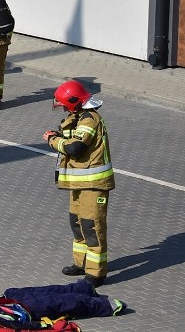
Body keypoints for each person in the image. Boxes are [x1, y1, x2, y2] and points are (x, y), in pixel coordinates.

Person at [43, 80, 115, 287]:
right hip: (79, 183)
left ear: (75, 102)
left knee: (92, 227)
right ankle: (81, 263)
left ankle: (96, 274)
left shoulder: (90, 120)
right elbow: (72, 137)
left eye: (65, 105)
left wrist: (52, 141)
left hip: (94, 185)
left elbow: (75, 148)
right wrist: (60, 134)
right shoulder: (79, 117)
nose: (64, 109)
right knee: (78, 223)